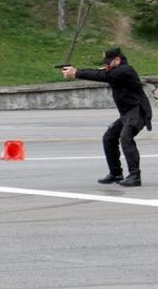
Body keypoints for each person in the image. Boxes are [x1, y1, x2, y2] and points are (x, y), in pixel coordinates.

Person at [61, 47, 152, 187]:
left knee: (126, 137)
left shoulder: (125, 70)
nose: (107, 64)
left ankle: (135, 176)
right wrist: (75, 70)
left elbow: (102, 76)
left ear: (117, 59)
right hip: (127, 114)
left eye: (109, 62)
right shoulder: (114, 70)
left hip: (138, 111)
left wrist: (76, 73)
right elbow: (98, 71)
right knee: (109, 137)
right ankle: (116, 173)